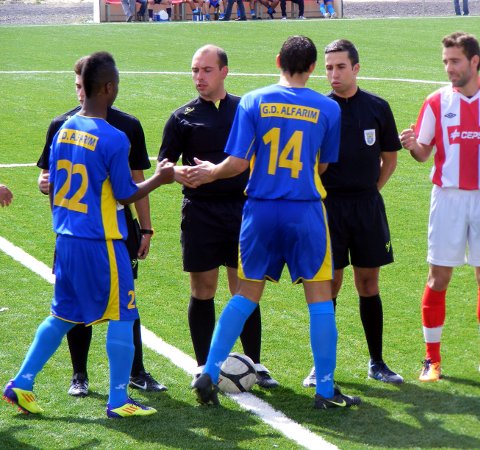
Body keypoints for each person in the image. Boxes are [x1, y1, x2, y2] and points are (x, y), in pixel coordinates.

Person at [190, 35, 360, 410]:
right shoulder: (328, 109)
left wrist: (210, 172)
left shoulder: (253, 100)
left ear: (278, 60)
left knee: (245, 294)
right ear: (313, 67)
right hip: (305, 210)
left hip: (260, 210)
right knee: (320, 299)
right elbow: (323, 165)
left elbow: (237, 163)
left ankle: (209, 371)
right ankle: (325, 390)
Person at [3, 51, 175, 417]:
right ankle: (119, 400)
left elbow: (52, 185)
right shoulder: (113, 137)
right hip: (101, 242)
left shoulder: (64, 129)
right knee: (124, 315)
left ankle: (22, 383)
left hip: (66, 238)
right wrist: (161, 178)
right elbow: (125, 193)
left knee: (64, 315)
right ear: (109, 88)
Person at [158, 45, 278, 389]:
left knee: (245, 288)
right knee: (203, 289)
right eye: (195, 70)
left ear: (224, 71)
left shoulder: (245, 110)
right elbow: (164, 165)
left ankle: (254, 363)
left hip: (243, 211)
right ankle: (203, 367)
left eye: (207, 70)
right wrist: (179, 172)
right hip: (200, 213)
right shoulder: (181, 117)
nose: (199, 77)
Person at [399, 32, 480, 382]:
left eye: (455, 61)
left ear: (474, 61)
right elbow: (424, 153)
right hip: (447, 198)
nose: (448, 68)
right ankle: (431, 360)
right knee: (439, 277)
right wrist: (412, 146)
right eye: (445, 61)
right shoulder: (436, 101)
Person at [302, 39, 403, 388]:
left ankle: (377, 362)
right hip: (329, 209)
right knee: (329, 285)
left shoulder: (377, 107)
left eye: (340, 67)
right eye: (329, 68)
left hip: (366, 208)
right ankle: (321, 366)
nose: (334, 74)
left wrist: (372, 191)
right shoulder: (319, 110)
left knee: (368, 283)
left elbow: (390, 158)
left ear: (356, 68)